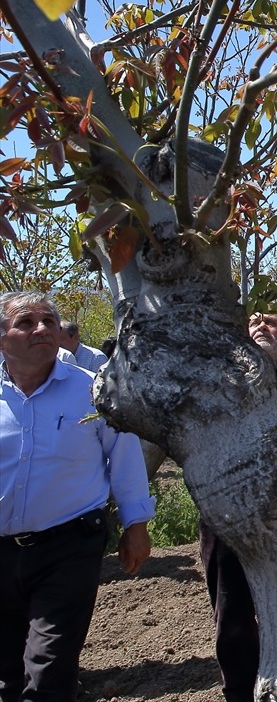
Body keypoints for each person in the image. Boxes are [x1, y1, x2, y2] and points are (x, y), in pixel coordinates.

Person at [0, 291, 154, 701]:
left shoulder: (94, 391)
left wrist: (136, 525)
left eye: (49, 321)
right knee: (7, 673)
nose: (42, 330)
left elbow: (124, 458)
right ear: (2, 339)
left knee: (50, 666)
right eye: (26, 323)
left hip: (68, 545)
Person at [200, 312, 277, 702]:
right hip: (226, 516)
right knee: (233, 615)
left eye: (273, 323)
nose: (263, 329)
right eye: (254, 322)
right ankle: (240, 693)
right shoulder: (217, 385)